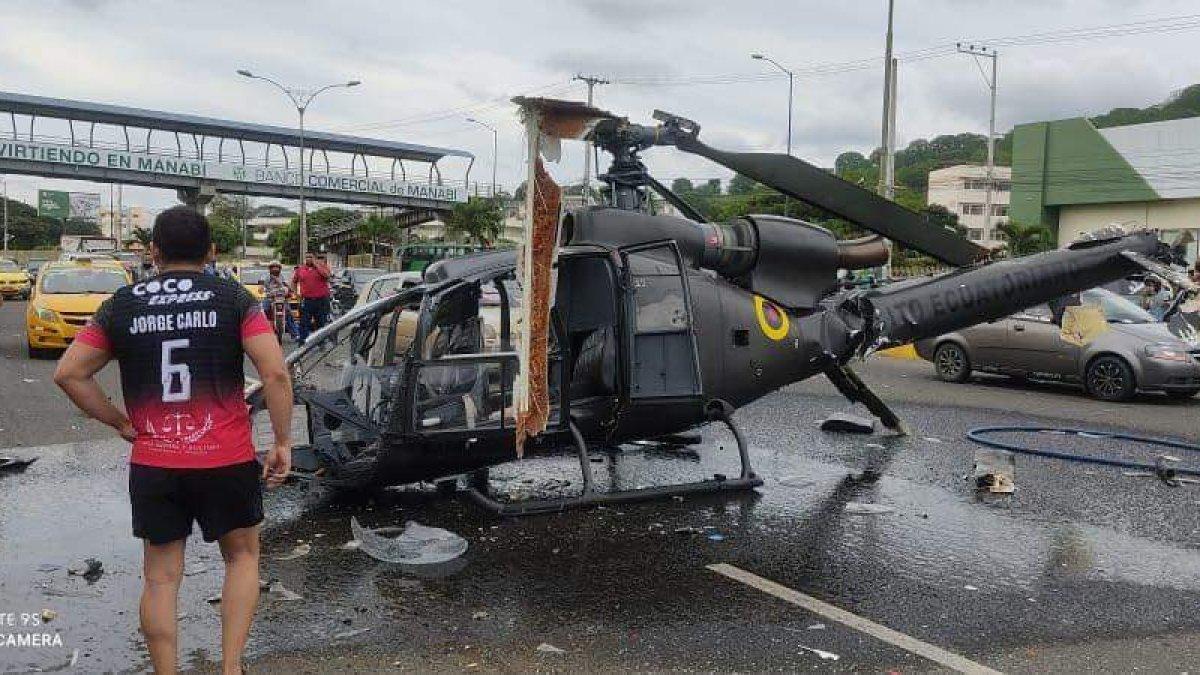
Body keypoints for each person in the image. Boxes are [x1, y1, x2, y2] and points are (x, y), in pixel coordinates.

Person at [52, 206, 294, 675]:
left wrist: (121, 423)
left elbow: (69, 374)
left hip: (156, 461)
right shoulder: (235, 298)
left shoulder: (121, 305)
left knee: (161, 578)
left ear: (153, 252)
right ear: (211, 251)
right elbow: (276, 373)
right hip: (225, 457)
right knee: (242, 558)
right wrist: (282, 440)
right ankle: (230, 668)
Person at [292, 251, 332, 343]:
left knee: (320, 322)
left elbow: (327, 276)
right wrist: (296, 293)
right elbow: (294, 281)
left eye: (310, 257)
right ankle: (303, 343)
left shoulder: (322, 267)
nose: (308, 259)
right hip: (306, 300)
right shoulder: (301, 269)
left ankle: (321, 342)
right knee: (304, 322)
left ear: (314, 258)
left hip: (321, 300)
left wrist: (317, 265)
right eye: (306, 257)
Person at [262, 261, 299, 341]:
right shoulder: (267, 278)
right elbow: (264, 288)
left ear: (279, 269)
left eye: (277, 267)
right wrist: (265, 291)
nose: (275, 269)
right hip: (270, 298)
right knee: (263, 310)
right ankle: (264, 332)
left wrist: (289, 290)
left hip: (282, 299)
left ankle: (295, 334)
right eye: (273, 267)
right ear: (270, 269)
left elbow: (288, 286)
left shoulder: (283, 277)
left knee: (289, 313)